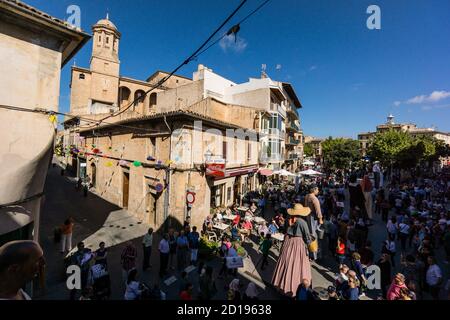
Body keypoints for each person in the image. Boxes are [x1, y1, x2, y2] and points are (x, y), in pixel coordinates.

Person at [272, 203, 312, 298]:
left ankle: (281, 283)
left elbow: (285, 230)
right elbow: (307, 237)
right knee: (297, 264)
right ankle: (293, 287)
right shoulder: (302, 222)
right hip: (297, 244)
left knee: (285, 261)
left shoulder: (288, 220)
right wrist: (310, 242)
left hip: (288, 242)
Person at [304, 185, 323, 260]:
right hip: (313, 217)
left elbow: (305, 206)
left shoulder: (307, 196)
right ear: (314, 190)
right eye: (317, 189)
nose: (318, 191)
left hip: (307, 215)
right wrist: (320, 219)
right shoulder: (314, 199)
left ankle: (311, 252)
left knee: (310, 233)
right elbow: (318, 211)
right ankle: (314, 254)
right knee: (313, 235)